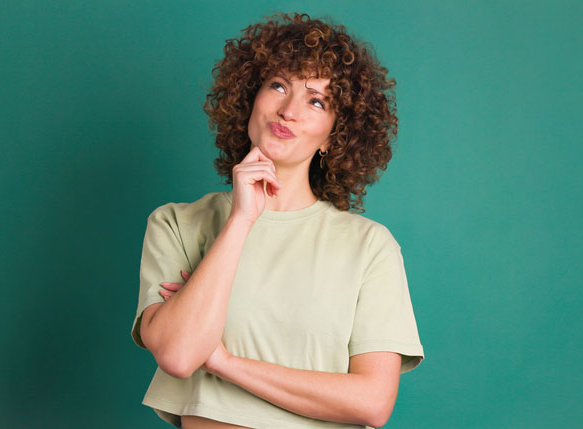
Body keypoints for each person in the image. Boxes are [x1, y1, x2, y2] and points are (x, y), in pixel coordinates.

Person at [131, 13, 424, 429]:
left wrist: (222, 361)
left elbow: (372, 403)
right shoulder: (178, 224)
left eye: (316, 101)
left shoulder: (369, 246)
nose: (289, 110)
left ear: (333, 136)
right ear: (250, 97)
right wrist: (240, 221)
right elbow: (178, 356)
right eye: (279, 85)